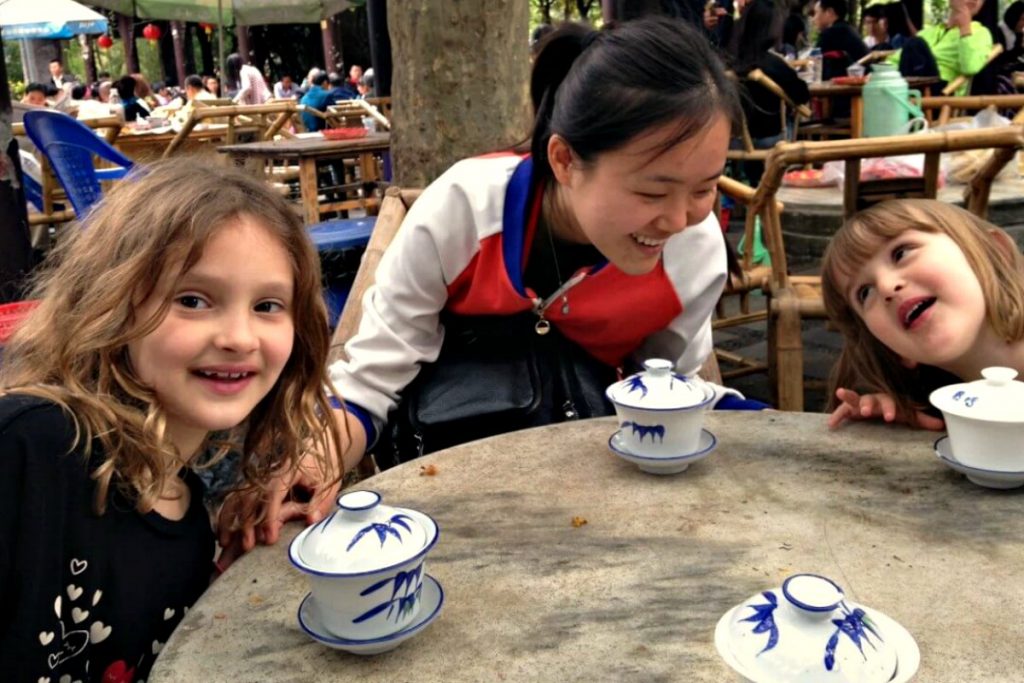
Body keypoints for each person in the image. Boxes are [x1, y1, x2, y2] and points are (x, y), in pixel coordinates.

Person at [218, 16, 766, 555]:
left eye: (704, 188)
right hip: (438, 492)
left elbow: (673, 389)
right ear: (564, 159)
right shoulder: (462, 210)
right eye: (653, 192)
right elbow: (369, 383)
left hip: (600, 498)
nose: (679, 218)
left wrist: (805, 434)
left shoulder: (692, 248)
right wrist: (312, 459)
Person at [0, 158, 343, 680]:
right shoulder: (31, 447)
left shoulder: (187, 527)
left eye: (268, 305)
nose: (239, 337)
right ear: (111, 304)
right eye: (193, 300)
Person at [821, 199, 1024, 430]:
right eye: (865, 293)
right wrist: (900, 424)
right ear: (890, 348)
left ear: (995, 253)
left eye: (901, 253)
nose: (887, 286)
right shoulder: (949, 410)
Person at [729, 0, 810, 183]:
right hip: (771, 140)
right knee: (788, 117)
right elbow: (802, 96)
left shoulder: (728, 63)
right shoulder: (775, 64)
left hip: (732, 140)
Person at [892, 0, 993, 95]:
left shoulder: (981, 33)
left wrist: (965, 27)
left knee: (916, 45)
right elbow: (892, 62)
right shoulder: (928, 33)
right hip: (907, 87)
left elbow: (970, 68)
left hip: (941, 94)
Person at [812, 0, 869, 80]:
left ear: (829, 12)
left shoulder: (831, 33)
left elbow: (814, 63)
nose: (813, 19)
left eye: (816, 13)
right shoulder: (848, 29)